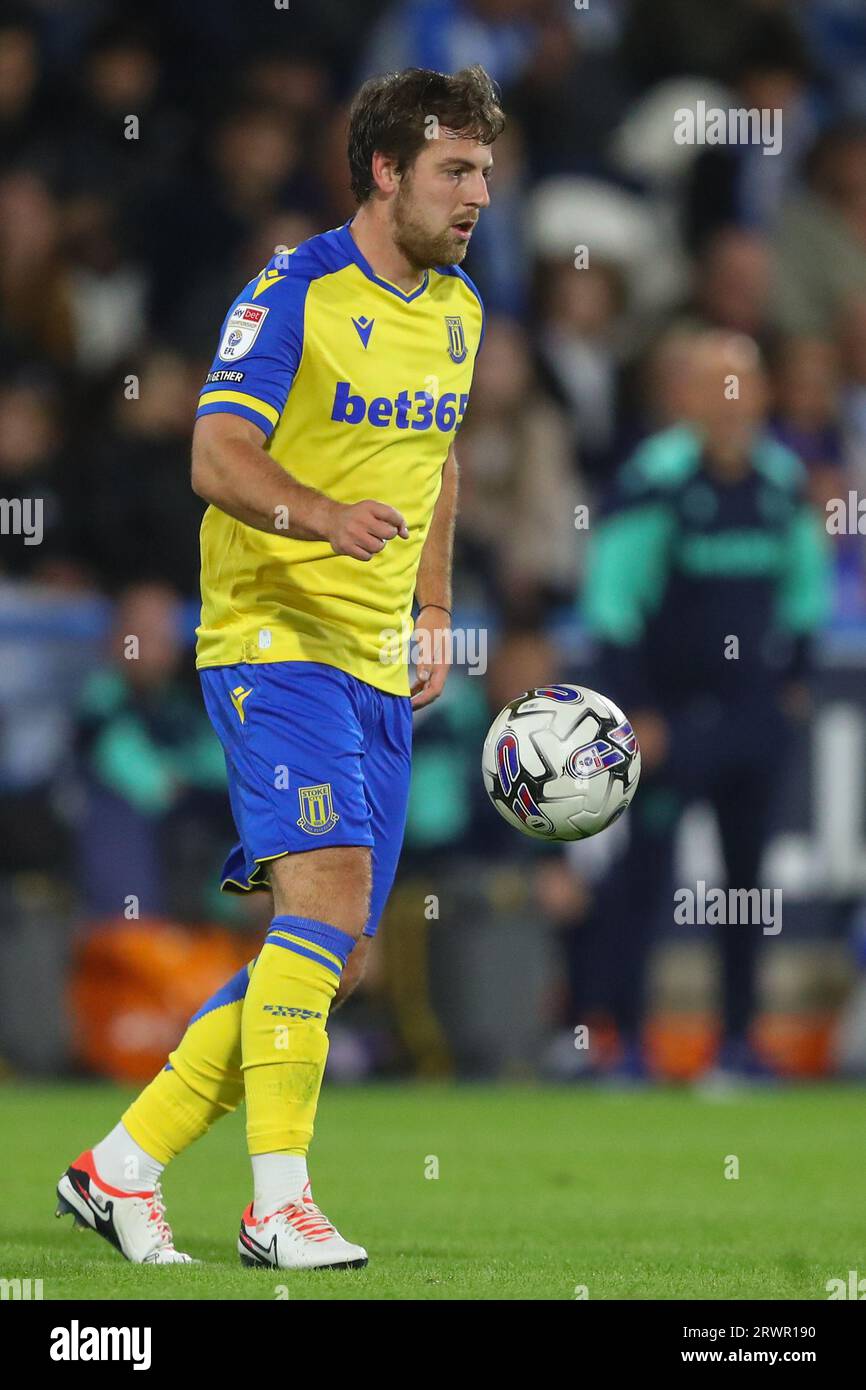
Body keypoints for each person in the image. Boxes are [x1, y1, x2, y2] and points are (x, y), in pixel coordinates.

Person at [55, 64, 504, 1268]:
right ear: (384, 171)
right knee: (325, 898)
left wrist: (434, 604)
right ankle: (276, 1203)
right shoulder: (293, 290)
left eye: (484, 174)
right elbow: (214, 451)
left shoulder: (458, 309)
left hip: (373, 657)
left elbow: (439, 463)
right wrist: (315, 513)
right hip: (272, 638)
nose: (476, 197)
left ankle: (123, 1165)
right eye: (454, 172)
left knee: (337, 949)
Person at [582, 332, 831, 1083]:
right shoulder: (655, 481)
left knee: (747, 886)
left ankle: (738, 1043)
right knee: (644, 875)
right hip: (672, 717)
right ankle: (619, 1041)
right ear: (685, 397)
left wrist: (794, 686)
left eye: (741, 386)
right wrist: (636, 711)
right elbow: (613, 603)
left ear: (761, 396)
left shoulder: (781, 481)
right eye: (712, 385)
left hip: (753, 716)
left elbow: (806, 591)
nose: (730, 403)